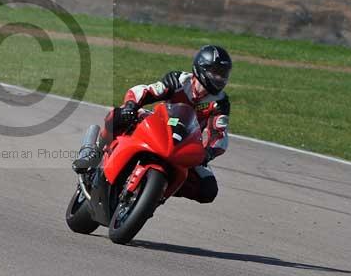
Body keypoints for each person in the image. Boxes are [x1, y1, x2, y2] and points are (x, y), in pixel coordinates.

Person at [72, 45, 232, 204]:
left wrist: (209, 152)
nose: (219, 79)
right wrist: (131, 106)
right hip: (158, 126)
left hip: (184, 143)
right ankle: (94, 152)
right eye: (215, 73)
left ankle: (155, 193)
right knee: (119, 115)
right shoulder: (179, 81)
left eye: (222, 75)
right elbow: (145, 91)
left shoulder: (220, 102)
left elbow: (219, 133)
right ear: (201, 67)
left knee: (208, 189)